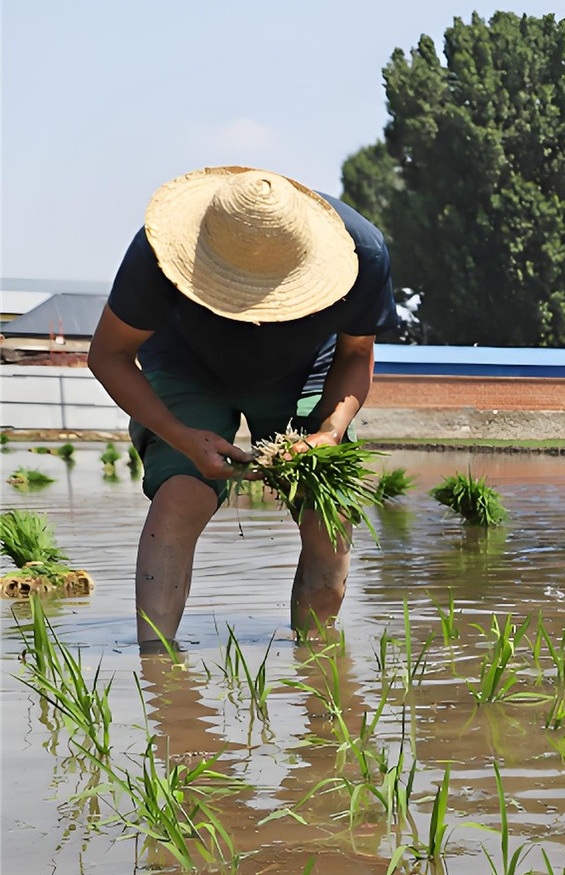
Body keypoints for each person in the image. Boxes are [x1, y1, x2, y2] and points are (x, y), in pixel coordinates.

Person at [88, 166, 395, 650]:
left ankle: (316, 658)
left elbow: (356, 353)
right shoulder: (158, 250)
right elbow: (108, 354)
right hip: (188, 366)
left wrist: (330, 433)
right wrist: (182, 437)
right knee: (181, 495)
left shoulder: (363, 252)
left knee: (328, 511)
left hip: (305, 370)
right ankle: (157, 666)